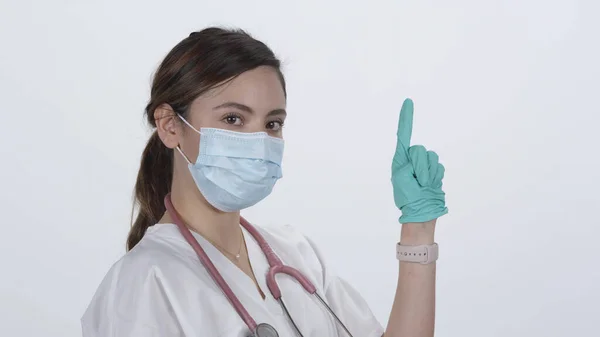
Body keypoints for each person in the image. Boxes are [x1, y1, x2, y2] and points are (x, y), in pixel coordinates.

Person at [81, 27, 448, 337]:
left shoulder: (295, 254)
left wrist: (418, 229)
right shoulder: (143, 284)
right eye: (233, 120)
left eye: (272, 123)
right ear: (170, 126)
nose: (258, 142)